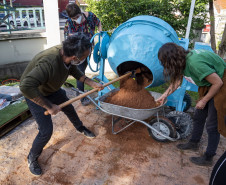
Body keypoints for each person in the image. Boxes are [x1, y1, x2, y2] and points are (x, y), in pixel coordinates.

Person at [20, 33, 103, 176]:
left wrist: (92, 83)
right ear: (75, 58)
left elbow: (74, 71)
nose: (86, 59)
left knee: (69, 108)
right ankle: (32, 157)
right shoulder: (49, 63)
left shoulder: (67, 54)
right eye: (84, 57)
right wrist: (49, 106)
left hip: (52, 89)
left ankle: (80, 128)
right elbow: (25, 86)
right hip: (35, 94)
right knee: (46, 131)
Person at [157, 42, 226, 166]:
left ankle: (208, 157)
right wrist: (163, 96)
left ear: (172, 59)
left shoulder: (195, 63)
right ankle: (194, 143)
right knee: (199, 115)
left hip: (222, 84)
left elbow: (218, 83)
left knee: (212, 124)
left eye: (165, 62)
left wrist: (204, 100)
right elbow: (177, 81)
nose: (165, 65)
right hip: (210, 84)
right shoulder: (183, 61)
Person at [64, 3, 102, 106]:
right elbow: (68, 38)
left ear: (80, 12)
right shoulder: (69, 23)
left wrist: (100, 34)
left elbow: (98, 23)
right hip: (78, 51)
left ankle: (79, 93)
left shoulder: (90, 16)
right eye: (73, 18)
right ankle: (82, 97)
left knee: (82, 70)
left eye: (77, 16)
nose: (76, 19)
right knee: (80, 72)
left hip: (88, 49)